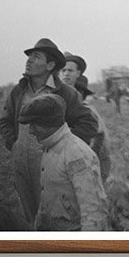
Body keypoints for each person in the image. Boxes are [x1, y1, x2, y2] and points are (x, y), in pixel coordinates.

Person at [0, 38, 100, 227]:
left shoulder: (66, 93)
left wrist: (66, 149)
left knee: (54, 217)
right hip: (21, 166)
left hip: (52, 169)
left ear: (50, 65)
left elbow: (88, 123)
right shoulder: (18, 92)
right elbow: (5, 120)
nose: (28, 60)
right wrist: (14, 144)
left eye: (36, 57)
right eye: (29, 57)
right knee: (32, 218)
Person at [18, 94, 107, 231]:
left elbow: (94, 212)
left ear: (49, 122)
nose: (30, 131)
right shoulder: (49, 146)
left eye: (34, 124)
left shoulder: (78, 155)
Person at [59, 52, 111, 180]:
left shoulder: (87, 110)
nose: (66, 73)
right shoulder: (59, 102)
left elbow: (97, 140)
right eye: (63, 70)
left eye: (70, 70)